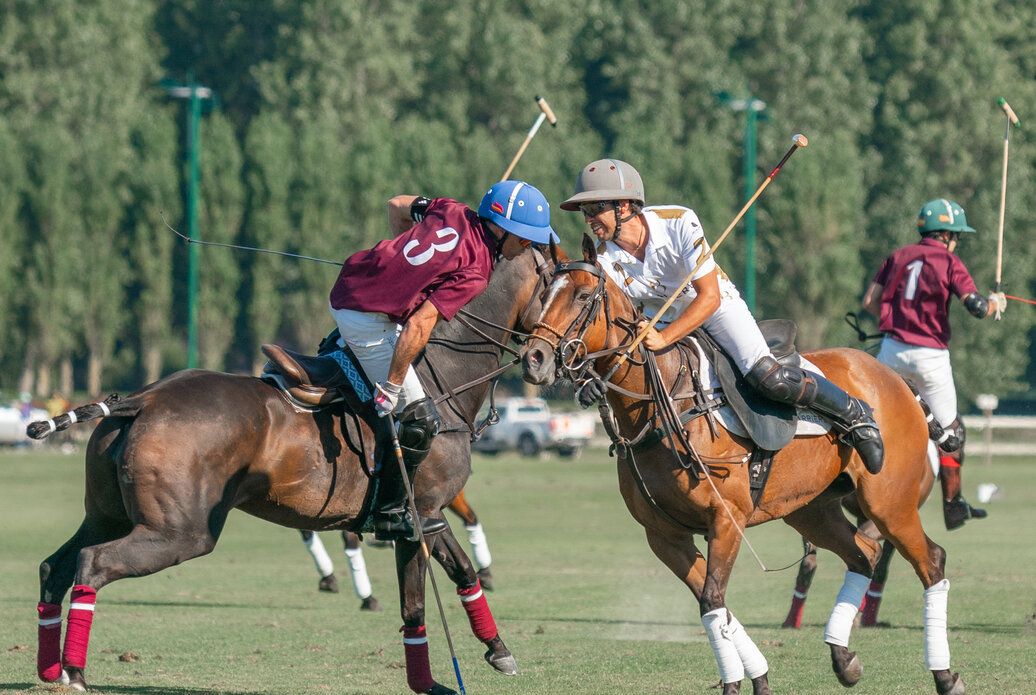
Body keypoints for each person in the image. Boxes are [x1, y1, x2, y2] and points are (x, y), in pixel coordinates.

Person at [562, 158, 884, 473]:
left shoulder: (678, 222)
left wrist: (664, 337)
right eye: (585, 213)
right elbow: (607, 326)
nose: (589, 219)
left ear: (624, 206)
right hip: (661, 316)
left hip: (714, 307)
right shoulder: (604, 261)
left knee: (768, 377)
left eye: (594, 209)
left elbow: (709, 297)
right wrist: (594, 378)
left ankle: (853, 412)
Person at [329, 180, 558, 539]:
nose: (527, 247)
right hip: (366, 320)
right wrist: (391, 386)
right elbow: (420, 323)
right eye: (526, 239)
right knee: (420, 416)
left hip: (351, 282)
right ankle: (388, 512)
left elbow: (396, 204)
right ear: (503, 231)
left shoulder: (452, 209)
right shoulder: (478, 272)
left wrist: (401, 262)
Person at [861, 198, 1003, 530]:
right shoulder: (950, 261)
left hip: (891, 353)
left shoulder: (898, 256)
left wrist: (897, 320)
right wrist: (996, 303)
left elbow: (870, 301)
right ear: (948, 235)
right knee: (951, 431)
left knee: (870, 422)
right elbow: (978, 308)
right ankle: (953, 506)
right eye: (958, 236)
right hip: (930, 360)